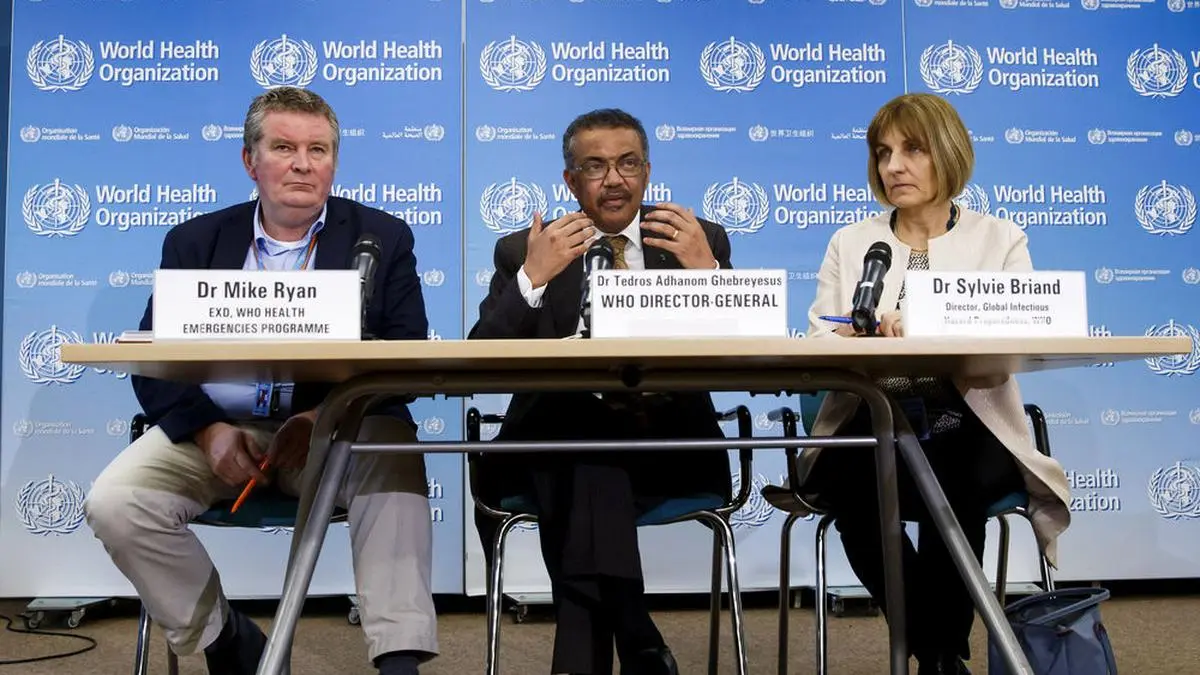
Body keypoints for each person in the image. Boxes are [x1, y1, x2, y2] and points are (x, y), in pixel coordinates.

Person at [84, 87, 438, 675]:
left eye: (318, 149)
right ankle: (225, 639)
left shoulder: (383, 237)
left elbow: (402, 358)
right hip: (219, 430)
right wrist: (209, 433)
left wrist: (319, 418)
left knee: (394, 450)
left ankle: (398, 658)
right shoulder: (195, 241)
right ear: (251, 161)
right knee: (116, 503)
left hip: (335, 429)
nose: (303, 163)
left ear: (334, 161)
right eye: (284, 147)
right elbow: (154, 361)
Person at [798, 93, 1071, 675]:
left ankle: (937, 654)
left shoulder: (999, 240)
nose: (892, 166)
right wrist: (863, 338)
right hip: (873, 421)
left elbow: (1012, 341)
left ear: (947, 153)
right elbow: (821, 341)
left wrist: (929, 324)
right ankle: (939, 651)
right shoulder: (852, 243)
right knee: (854, 488)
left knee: (958, 475)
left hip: (967, 419)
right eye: (883, 153)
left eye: (911, 150)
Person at [469, 108, 733, 675]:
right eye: (595, 166)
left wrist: (709, 275)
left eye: (627, 163)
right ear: (570, 180)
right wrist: (531, 279)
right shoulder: (526, 248)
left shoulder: (696, 240)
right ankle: (635, 637)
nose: (614, 179)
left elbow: (737, 358)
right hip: (553, 448)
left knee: (582, 465)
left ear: (647, 171)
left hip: (666, 449)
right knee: (583, 448)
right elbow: (479, 358)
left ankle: (605, 648)